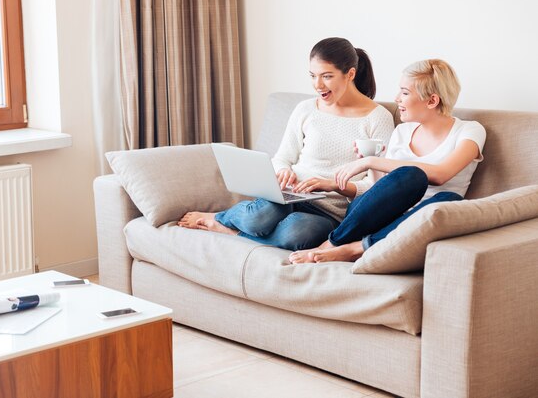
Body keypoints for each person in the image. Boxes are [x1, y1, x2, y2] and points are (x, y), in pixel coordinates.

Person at [177, 37, 395, 250]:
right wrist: (283, 172)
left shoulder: (377, 118)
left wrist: (333, 184)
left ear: (350, 74)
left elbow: (378, 186)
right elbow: (282, 158)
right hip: (290, 194)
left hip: (331, 210)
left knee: (296, 234)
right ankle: (221, 217)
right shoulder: (306, 109)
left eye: (327, 76)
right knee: (257, 218)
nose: (318, 85)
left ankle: (230, 230)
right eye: (313, 75)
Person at [288, 59, 487, 263]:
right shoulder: (402, 131)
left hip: (418, 222)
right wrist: (365, 164)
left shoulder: (470, 130)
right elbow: (378, 189)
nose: (397, 98)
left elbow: (440, 174)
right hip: (372, 218)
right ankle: (332, 244)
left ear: (432, 101)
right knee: (410, 176)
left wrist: (371, 162)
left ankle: (356, 248)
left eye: (405, 92)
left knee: (450, 200)